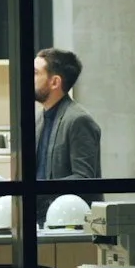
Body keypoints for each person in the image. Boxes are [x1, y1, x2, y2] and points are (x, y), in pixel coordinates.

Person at [34, 47, 101, 181]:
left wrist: (39, 191)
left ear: (55, 82)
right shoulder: (38, 118)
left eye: (35, 73)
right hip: (38, 201)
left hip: (67, 201)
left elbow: (83, 177)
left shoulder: (78, 120)